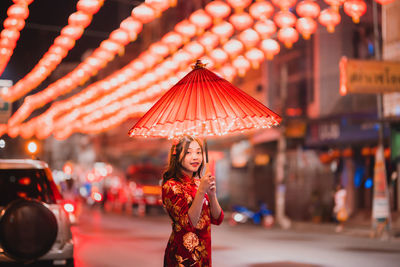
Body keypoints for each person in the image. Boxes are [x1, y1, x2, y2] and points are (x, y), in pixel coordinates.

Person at [162, 135, 224, 267]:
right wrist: (201, 191)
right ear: (177, 156)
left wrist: (212, 195)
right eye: (188, 152)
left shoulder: (198, 183)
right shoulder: (171, 186)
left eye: (198, 152)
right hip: (182, 258)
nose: (195, 157)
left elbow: (217, 219)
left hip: (204, 255)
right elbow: (189, 223)